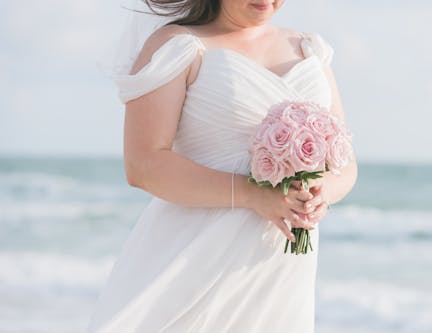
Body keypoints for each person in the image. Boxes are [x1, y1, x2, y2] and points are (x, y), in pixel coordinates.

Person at [86, 0, 358, 332]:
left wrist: (321, 192)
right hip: (195, 258)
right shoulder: (179, 46)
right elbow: (143, 165)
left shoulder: (309, 51)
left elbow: (345, 162)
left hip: (278, 267)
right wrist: (254, 195)